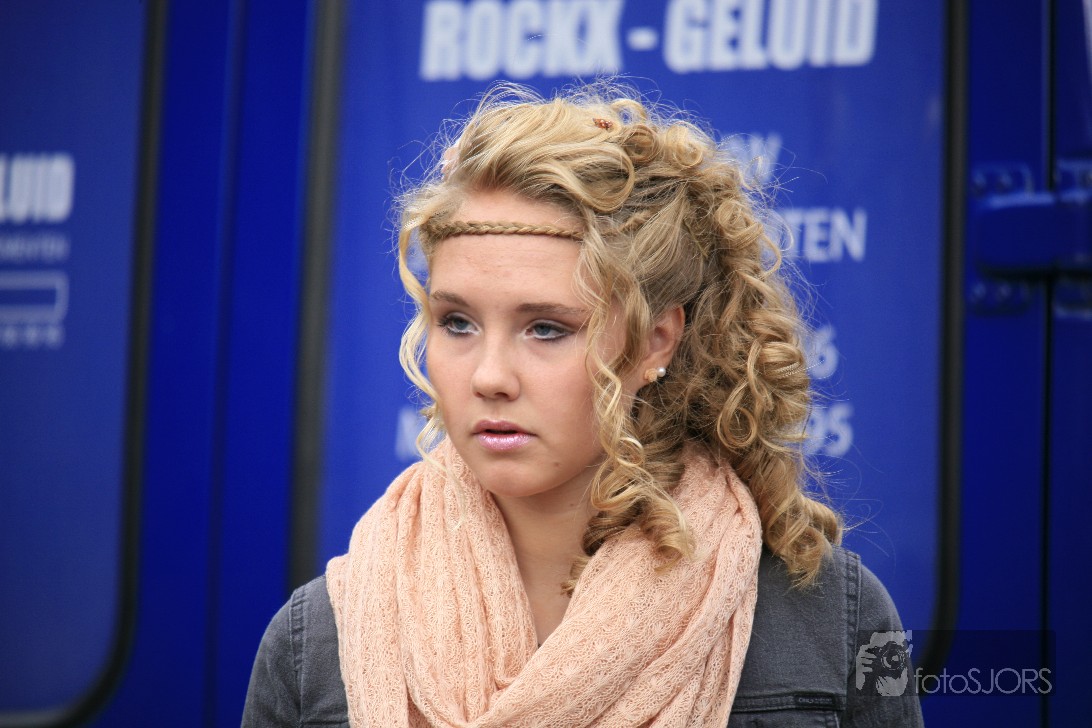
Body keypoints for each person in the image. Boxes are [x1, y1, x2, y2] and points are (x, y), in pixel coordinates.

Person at [242, 84, 924, 727]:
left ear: (655, 341)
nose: (489, 376)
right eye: (457, 322)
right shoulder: (317, 640)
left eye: (546, 328)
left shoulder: (833, 619)